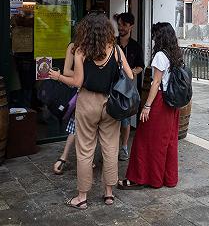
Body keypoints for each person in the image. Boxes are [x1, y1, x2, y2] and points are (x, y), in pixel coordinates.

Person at [49, 12, 133, 209]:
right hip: (110, 104)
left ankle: (82, 197)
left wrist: (58, 77)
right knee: (110, 148)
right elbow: (129, 75)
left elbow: (76, 81)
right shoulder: (117, 50)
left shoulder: (80, 52)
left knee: (85, 150)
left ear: (85, 31)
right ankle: (109, 194)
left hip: (87, 103)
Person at [117, 22, 181, 190]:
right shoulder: (176, 54)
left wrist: (147, 106)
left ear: (158, 36)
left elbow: (156, 83)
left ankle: (141, 178)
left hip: (160, 101)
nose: (152, 38)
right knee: (168, 141)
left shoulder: (160, 55)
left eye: (154, 35)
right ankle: (167, 178)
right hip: (172, 104)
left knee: (144, 140)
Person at [114, 13, 145, 162]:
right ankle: (111, 147)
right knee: (111, 120)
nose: (120, 28)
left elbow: (141, 66)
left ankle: (124, 147)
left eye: (124, 25)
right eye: (119, 24)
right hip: (112, 87)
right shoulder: (112, 43)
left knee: (125, 121)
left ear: (131, 26)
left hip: (126, 89)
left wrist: (132, 71)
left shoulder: (136, 46)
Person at [52, 42, 77, 175]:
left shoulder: (96, 45)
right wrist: (84, 75)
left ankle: (64, 158)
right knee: (77, 123)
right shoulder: (73, 46)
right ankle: (64, 158)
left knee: (79, 125)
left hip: (91, 90)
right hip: (79, 89)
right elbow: (67, 71)